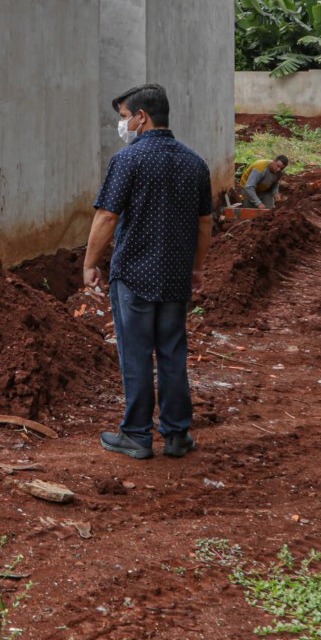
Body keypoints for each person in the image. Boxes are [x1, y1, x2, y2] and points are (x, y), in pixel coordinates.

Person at [82, 83, 215, 460]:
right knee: (172, 353)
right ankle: (177, 435)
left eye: (124, 117)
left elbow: (107, 215)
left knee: (137, 354)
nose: (122, 125)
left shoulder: (129, 161)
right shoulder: (195, 163)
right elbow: (205, 222)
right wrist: (197, 269)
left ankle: (137, 435)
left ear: (142, 117)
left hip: (135, 276)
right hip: (175, 276)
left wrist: (90, 263)